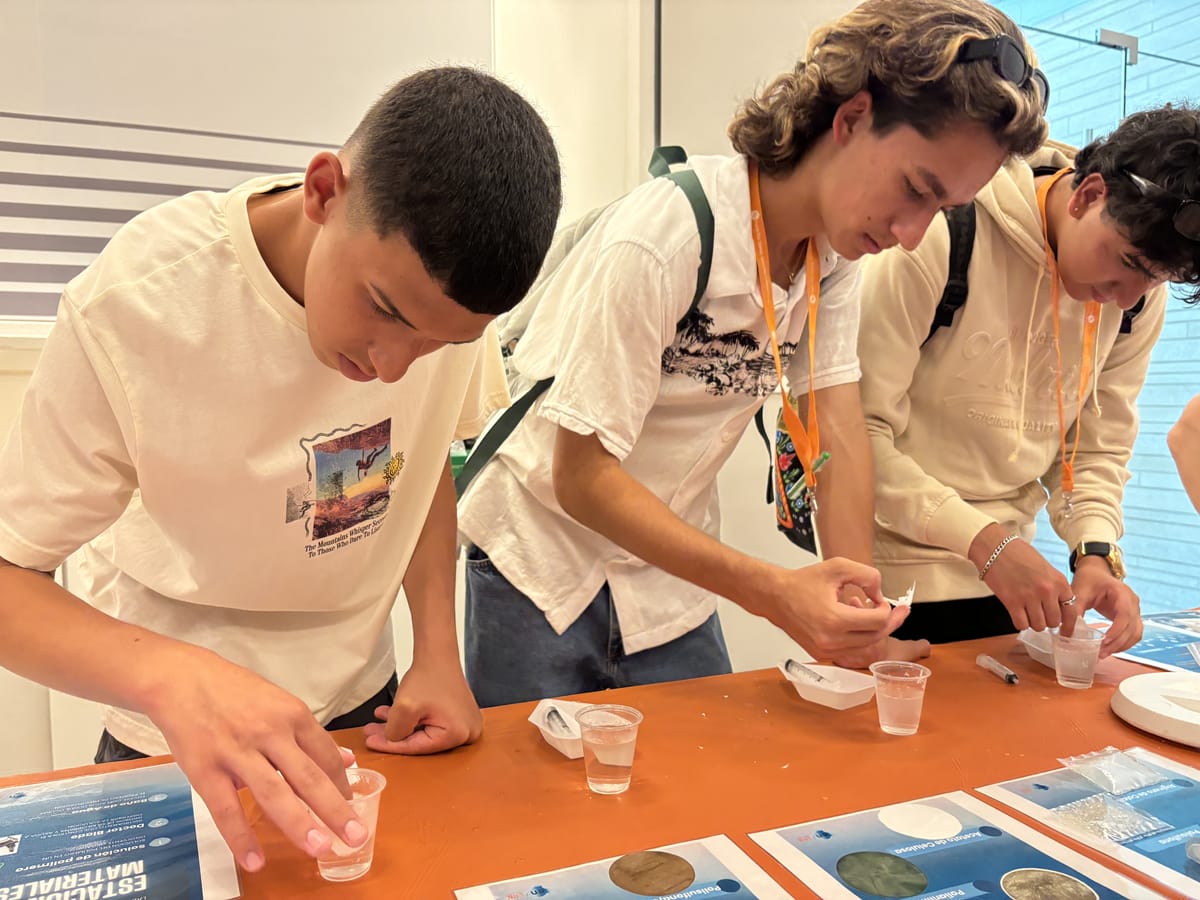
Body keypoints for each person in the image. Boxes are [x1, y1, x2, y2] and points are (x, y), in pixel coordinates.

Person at [0, 67, 560, 871]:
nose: (395, 367)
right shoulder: (142, 301)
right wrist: (174, 678)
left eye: (440, 345)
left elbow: (421, 457)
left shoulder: (439, 315)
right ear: (324, 190)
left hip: (359, 707)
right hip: (172, 723)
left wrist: (439, 648)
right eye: (386, 312)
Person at [456, 0, 1048, 708]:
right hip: (540, 563)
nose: (913, 232)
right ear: (853, 118)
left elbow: (839, 434)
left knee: (702, 785)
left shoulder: (833, 256)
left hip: (666, 574)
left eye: (942, 207)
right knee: (542, 798)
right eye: (916, 189)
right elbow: (580, 476)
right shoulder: (668, 237)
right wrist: (774, 593)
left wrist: (858, 609)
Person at [859, 103, 1200, 659]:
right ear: (1089, 195)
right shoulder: (944, 235)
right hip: (893, 574)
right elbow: (853, 435)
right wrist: (986, 543)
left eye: (1155, 280)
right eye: (1128, 262)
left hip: (1018, 580)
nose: (1127, 296)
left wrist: (1095, 551)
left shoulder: (1136, 302)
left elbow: (1096, 449)